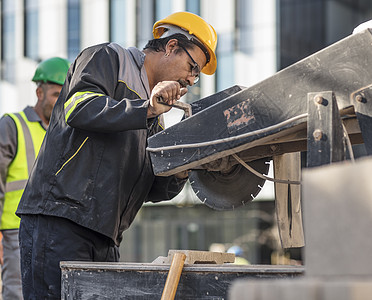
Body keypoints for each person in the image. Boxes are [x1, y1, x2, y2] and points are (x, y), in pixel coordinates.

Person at [16, 11, 218, 299]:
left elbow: (153, 187)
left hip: (105, 237)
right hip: (60, 222)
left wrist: (185, 165)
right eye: (192, 67)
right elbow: (79, 109)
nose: (191, 79)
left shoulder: (154, 115)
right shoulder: (108, 58)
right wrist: (145, 109)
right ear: (172, 46)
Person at [0, 57, 70, 299]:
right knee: (17, 293)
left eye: (65, 95)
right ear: (39, 92)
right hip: (14, 230)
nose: (60, 101)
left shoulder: (65, 133)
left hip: (55, 233)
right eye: (55, 94)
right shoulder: (12, 125)